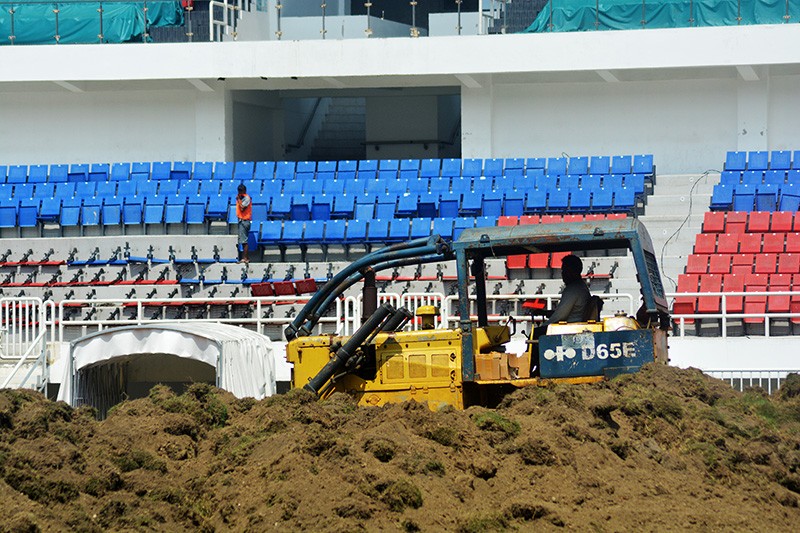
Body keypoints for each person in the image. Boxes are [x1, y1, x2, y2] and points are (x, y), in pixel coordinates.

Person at [530, 254, 592, 374]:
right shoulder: (581, 287)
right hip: (574, 325)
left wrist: (545, 325)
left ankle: (530, 368)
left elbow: (560, 315)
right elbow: (567, 311)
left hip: (570, 329)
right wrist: (546, 313)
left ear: (572, 271)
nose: (562, 274)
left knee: (536, 333)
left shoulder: (572, 289)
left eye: (564, 270)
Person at [236, 184, 252, 263]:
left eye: (240, 191)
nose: (239, 193)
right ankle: (246, 258)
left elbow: (242, 208)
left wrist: (239, 200)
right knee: (243, 240)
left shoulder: (246, 198)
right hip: (242, 220)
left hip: (245, 221)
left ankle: (245, 258)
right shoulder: (242, 198)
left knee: (244, 241)